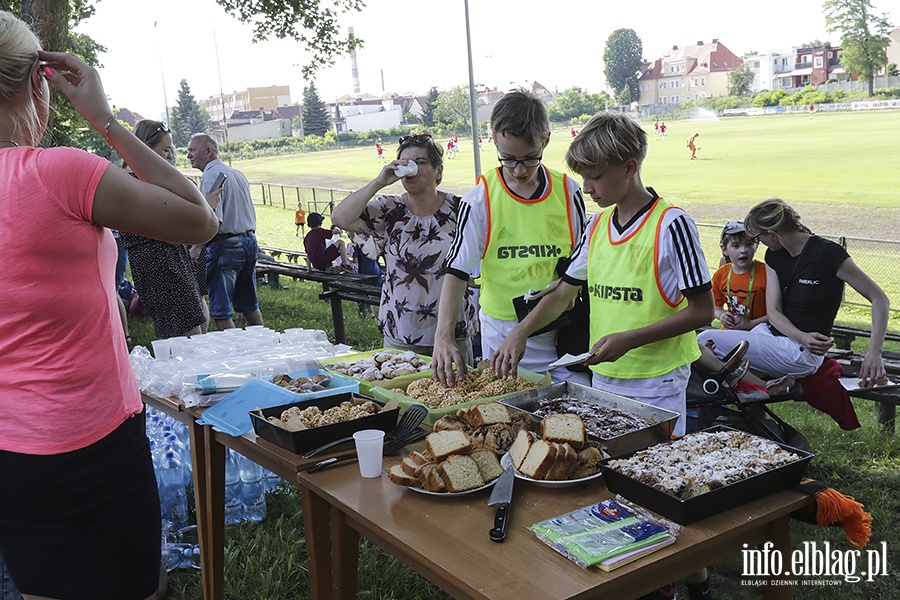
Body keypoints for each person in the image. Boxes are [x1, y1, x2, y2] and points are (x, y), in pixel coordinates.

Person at [0, 13, 219, 599]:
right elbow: (200, 219)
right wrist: (105, 118)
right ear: (37, 85)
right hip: (94, 441)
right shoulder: (59, 174)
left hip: (11, 453)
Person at [490, 111, 714, 600]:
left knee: (659, 487)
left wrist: (630, 339)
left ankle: (688, 581)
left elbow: (703, 310)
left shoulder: (672, 225)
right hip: (606, 383)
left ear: (629, 167)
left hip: (656, 384)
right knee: (616, 487)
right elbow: (564, 291)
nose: (586, 186)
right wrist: (520, 332)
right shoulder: (597, 226)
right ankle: (644, 576)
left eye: (595, 175)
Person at [431, 89, 589, 385]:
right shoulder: (480, 200)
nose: (518, 170)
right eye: (508, 159)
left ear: (546, 140)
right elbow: (456, 271)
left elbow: (584, 261)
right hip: (503, 334)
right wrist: (444, 336)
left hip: (565, 332)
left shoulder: (569, 192)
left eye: (530, 159)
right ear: (495, 142)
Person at [698, 198, 889, 386]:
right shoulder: (774, 255)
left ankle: (761, 389)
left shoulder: (828, 254)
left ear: (772, 234)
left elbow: (879, 298)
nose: (759, 244)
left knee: (704, 340)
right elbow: (774, 312)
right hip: (774, 336)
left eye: (757, 239)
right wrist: (800, 335)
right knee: (710, 351)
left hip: (801, 352)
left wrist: (874, 353)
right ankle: (758, 391)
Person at [332, 134, 477, 360]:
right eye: (404, 162)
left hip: (452, 333)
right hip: (401, 334)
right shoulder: (390, 209)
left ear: (438, 170)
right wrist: (379, 182)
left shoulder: (460, 209)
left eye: (420, 162)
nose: (411, 168)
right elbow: (340, 217)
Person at [120, 120, 212, 339]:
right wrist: (202, 210)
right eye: (165, 149)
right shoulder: (138, 182)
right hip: (165, 268)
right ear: (146, 148)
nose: (170, 155)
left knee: (188, 333)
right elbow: (171, 231)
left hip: (165, 265)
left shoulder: (138, 179)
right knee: (186, 339)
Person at [187, 133, 264, 330]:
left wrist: (197, 247)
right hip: (249, 242)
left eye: (192, 150)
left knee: (221, 312)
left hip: (226, 245)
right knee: (249, 305)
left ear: (208, 151)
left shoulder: (211, 175)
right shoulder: (237, 174)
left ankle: (234, 355)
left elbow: (213, 219)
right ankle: (266, 345)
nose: (188, 155)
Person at [711, 221, 767, 331]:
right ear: (724, 249)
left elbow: (777, 313)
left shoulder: (767, 272)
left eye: (749, 244)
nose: (743, 250)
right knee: (704, 339)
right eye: (736, 246)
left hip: (761, 330)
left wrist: (751, 324)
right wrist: (722, 315)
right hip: (732, 329)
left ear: (756, 246)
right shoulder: (720, 275)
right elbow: (715, 307)